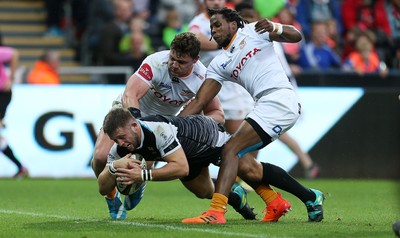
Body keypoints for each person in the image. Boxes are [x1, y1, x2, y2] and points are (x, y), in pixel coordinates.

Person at [178, 8, 324, 224]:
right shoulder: (220, 63)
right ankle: (306, 197)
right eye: (211, 28)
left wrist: (276, 26)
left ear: (234, 24)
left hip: (281, 99)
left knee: (231, 150)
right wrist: (173, 125)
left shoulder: (254, 31)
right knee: (241, 161)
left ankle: (217, 212)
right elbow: (200, 101)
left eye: (218, 24)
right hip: (263, 104)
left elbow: (296, 36)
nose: (214, 30)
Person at [91, 32, 254, 220]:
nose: (174, 65)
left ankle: (233, 195)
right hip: (129, 114)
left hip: (163, 126)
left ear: (195, 60)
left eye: (181, 62)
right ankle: (112, 198)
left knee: (202, 190)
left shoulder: (202, 77)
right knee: (101, 156)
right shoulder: (156, 62)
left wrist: (187, 126)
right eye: (173, 58)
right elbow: (131, 94)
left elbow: (217, 114)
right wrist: (139, 123)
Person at [101, 107, 324, 224]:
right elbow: (103, 187)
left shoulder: (157, 130)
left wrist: (144, 175)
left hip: (205, 136)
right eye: (116, 140)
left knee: (250, 169)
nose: (121, 144)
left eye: (122, 137)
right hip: (185, 152)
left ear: (134, 125)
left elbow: (181, 168)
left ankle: (311, 196)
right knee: (203, 191)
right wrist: (112, 169)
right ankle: (236, 196)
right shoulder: (121, 146)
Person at [236, 2, 319, 179]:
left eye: (250, 18)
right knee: (264, 130)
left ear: (257, 18)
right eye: (244, 19)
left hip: (275, 87)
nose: (247, 22)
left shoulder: (265, 36)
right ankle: (306, 161)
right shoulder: (251, 38)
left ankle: (251, 173)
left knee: (258, 129)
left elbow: (276, 62)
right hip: (266, 87)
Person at [0, 44, 29, 178]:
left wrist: (11, 78)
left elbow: (14, 54)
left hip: (2, 94)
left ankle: (21, 167)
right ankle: (20, 167)